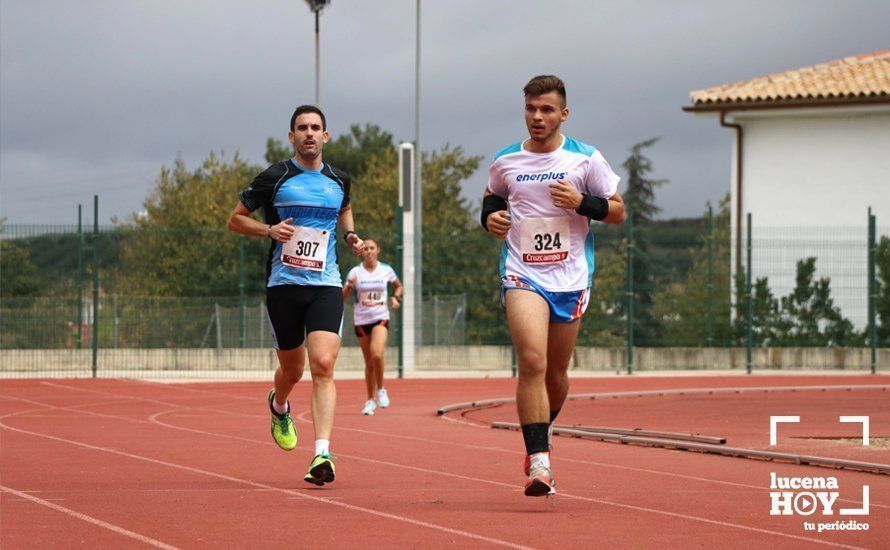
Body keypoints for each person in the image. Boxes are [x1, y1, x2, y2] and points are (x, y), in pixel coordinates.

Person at [481, 75, 626, 497]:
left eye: (546, 109)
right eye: (531, 109)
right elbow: (492, 196)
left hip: (571, 277)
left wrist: (583, 203)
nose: (537, 117)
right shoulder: (507, 160)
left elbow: (618, 212)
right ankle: (540, 464)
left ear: (563, 113)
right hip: (523, 273)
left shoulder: (586, 158)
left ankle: (540, 430)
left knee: (557, 374)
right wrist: (490, 218)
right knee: (531, 361)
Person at [227, 105, 364, 487]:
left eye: (315, 127)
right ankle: (279, 404)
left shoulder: (339, 179)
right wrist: (268, 231)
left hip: (325, 283)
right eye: (302, 128)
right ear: (292, 136)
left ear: (326, 136)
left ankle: (322, 452)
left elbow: (345, 209)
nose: (309, 133)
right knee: (293, 370)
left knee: (323, 363)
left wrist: (350, 235)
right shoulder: (276, 176)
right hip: (283, 286)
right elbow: (235, 218)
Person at [343, 238, 403, 415]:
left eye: (372, 248)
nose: (368, 251)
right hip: (361, 320)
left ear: (378, 250)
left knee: (377, 353)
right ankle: (370, 400)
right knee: (369, 362)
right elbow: (343, 297)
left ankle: (381, 389)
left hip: (380, 317)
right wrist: (348, 286)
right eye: (366, 249)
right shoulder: (355, 272)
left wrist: (396, 298)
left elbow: (398, 286)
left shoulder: (386, 270)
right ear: (362, 252)